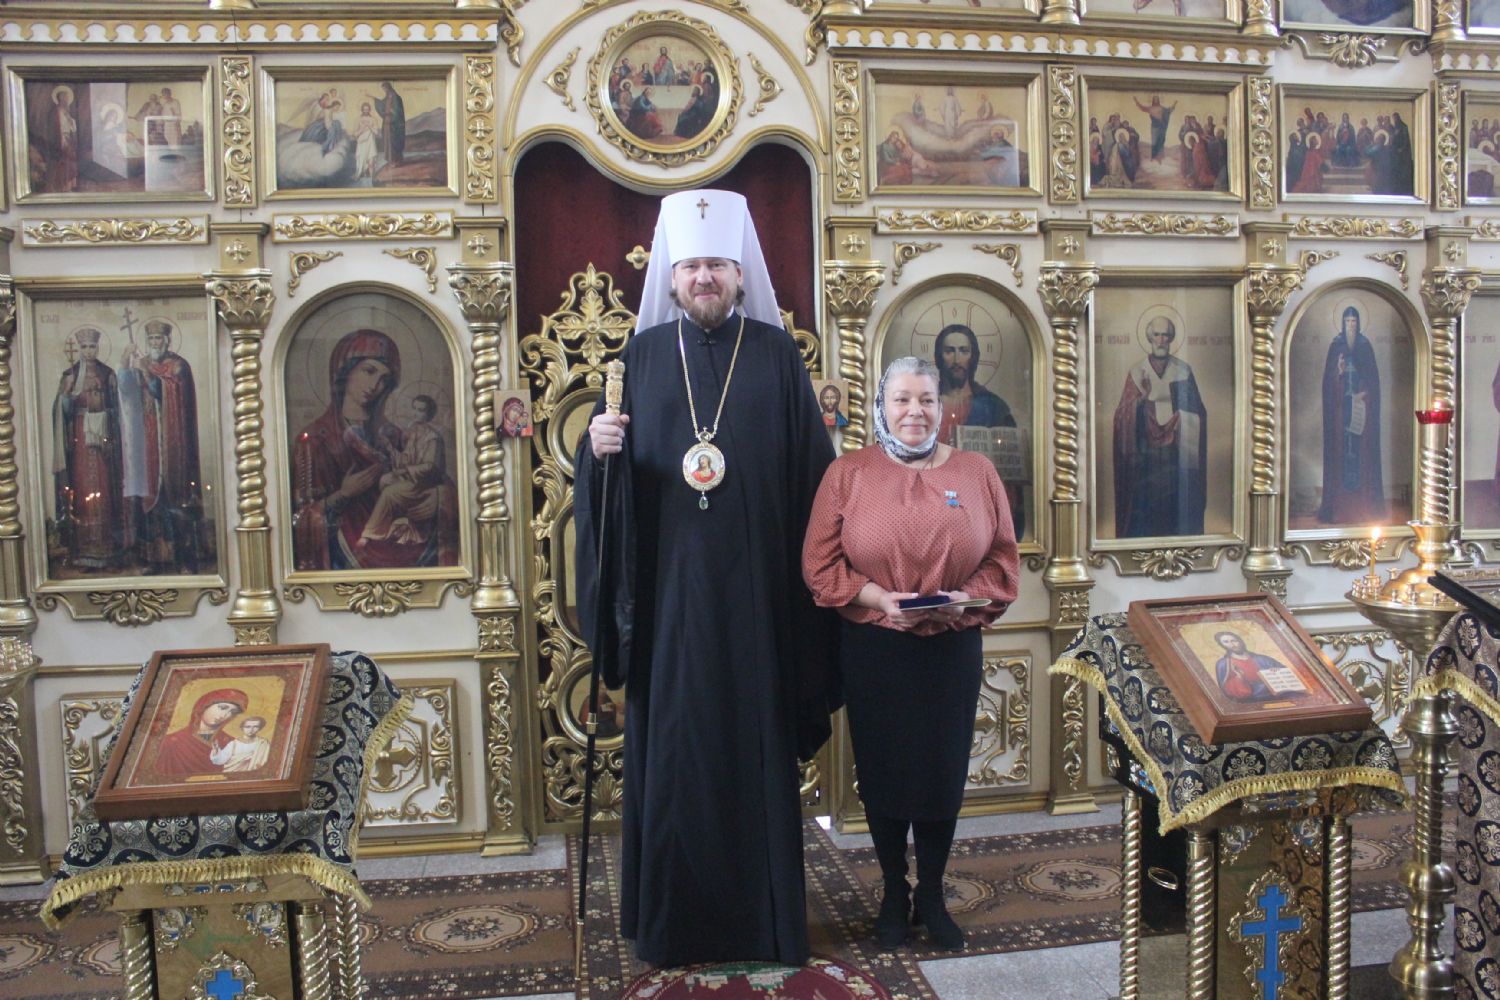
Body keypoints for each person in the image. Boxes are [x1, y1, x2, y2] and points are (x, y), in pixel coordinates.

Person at [575, 189, 838, 967]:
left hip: (758, 600)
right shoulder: (639, 360)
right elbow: (606, 495)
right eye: (691, 266)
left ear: (740, 273)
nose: (704, 278)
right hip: (669, 605)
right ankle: (671, 924)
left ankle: (764, 924)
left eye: (717, 265)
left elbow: (815, 481)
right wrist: (598, 453)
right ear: (671, 275)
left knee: (752, 748)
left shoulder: (778, 356)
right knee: (676, 752)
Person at [803, 356, 1019, 951]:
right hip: (876, 647)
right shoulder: (848, 473)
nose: (914, 411)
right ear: (882, 405)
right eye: (901, 399)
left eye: (926, 399)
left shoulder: (977, 473)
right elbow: (818, 564)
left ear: (941, 407)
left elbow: (1002, 559)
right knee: (885, 771)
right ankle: (894, 894)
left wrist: (962, 600)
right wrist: (879, 598)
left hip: (951, 646)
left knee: (942, 772)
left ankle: (933, 894)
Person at [291, 329, 459, 570]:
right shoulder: (316, 440)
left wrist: (439, 500)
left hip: (408, 550)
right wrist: (343, 495)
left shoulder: (397, 436)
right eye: (369, 371)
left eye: (384, 379)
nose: (375, 385)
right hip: (343, 563)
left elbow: (439, 480)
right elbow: (300, 520)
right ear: (345, 371)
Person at [118, 319, 203, 574]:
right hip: (147, 442)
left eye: (158, 339)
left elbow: (166, 390)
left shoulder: (178, 366)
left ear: (167, 341)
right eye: (151, 339)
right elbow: (126, 391)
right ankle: (152, 561)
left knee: (173, 500)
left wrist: (147, 375)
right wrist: (125, 364)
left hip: (173, 442)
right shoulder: (142, 363)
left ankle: (182, 559)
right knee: (148, 501)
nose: (155, 343)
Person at [1112, 315, 1208, 538]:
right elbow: (1121, 416)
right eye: (1157, 334)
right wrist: (1141, 401)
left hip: (1176, 453)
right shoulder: (1137, 372)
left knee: (1174, 501)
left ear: (1172, 338)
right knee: (1147, 502)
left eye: (1166, 335)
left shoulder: (1183, 371)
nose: (1161, 340)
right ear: (1149, 337)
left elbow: (1199, 412)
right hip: (1146, 456)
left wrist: (1182, 418)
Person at [933, 323, 1024, 538]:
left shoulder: (994, 407)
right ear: (939, 357)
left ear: (973, 357)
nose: (957, 360)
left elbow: (1009, 474)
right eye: (949, 351)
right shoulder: (925, 406)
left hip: (979, 511)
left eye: (964, 351)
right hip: (933, 506)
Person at [53, 327, 123, 570]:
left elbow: (117, 408)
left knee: (105, 489)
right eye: (84, 347)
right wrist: (66, 396)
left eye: (92, 346)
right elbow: (62, 412)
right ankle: (83, 552)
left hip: (103, 441)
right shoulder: (70, 375)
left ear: (98, 347)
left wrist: (105, 418)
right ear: (79, 348)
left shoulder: (108, 374)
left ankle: (109, 551)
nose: (88, 351)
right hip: (80, 441)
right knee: (82, 489)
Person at [1318, 305, 1386, 524]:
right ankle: (1339, 507)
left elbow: (1372, 382)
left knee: (1361, 455)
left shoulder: (1365, 346)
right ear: (1342, 323)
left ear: (1358, 323)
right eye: (1347, 322)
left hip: (1361, 411)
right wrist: (1338, 373)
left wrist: (1363, 394)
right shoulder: (1336, 346)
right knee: (1340, 453)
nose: (1351, 326)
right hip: (1340, 412)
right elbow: (1328, 383)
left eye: (1354, 322)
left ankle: (1364, 506)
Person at [358, 394, 451, 553]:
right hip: (412, 479)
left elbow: (430, 467)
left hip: (423, 484)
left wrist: (406, 470)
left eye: (421, 410)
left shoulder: (433, 438)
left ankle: (369, 534)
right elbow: (406, 460)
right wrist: (390, 449)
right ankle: (394, 523)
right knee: (384, 480)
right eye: (414, 409)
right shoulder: (413, 432)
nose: (416, 413)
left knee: (389, 493)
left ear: (429, 414)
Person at [155, 688, 248, 778]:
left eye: (232, 712)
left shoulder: (232, 744)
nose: (225, 715)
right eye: (222, 708)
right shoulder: (171, 743)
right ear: (204, 705)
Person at [1212, 631, 1308, 702]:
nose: (1232, 644)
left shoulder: (1263, 659)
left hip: (1278, 692)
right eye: (1226, 642)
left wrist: (1277, 671)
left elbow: (1288, 675)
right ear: (1222, 645)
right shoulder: (1223, 664)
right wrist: (1239, 678)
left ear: (1240, 641)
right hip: (1253, 696)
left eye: (1234, 640)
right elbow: (1226, 690)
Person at [1133, 95, 1178, 161]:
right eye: (1155, 99)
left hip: (1161, 126)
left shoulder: (1162, 108)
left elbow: (1169, 111)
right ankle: (1154, 157)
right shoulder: (1150, 108)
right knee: (1154, 142)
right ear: (1153, 100)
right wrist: (1136, 101)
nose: (1156, 100)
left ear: (1158, 100)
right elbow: (1142, 108)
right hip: (1154, 127)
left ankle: (1160, 157)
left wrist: (1175, 104)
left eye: (1157, 99)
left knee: (1161, 141)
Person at [373, 81, 405, 166]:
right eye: (383, 89)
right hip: (387, 123)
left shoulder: (396, 97)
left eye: (385, 88)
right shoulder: (387, 97)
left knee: (394, 142)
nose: (384, 90)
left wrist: (392, 111)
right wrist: (375, 99)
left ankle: (396, 160)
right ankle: (391, 160)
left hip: (394, 124)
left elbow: (398, 111)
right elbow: (382, 105)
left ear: (389, 87)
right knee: (388, 141)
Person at [353, 101, 381, 179]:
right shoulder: (358, 119)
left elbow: (376, 132)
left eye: (367, 109)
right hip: (362, 143)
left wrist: (369, 126)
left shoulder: (373, 119)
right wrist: (362, 129)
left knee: (371, 161)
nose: (366, 111)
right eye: (364, 109)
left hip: (370, 142)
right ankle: (362, 173)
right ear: (362, 110)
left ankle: (372, 178)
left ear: (369, 110)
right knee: (361, 161)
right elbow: (355, 134)